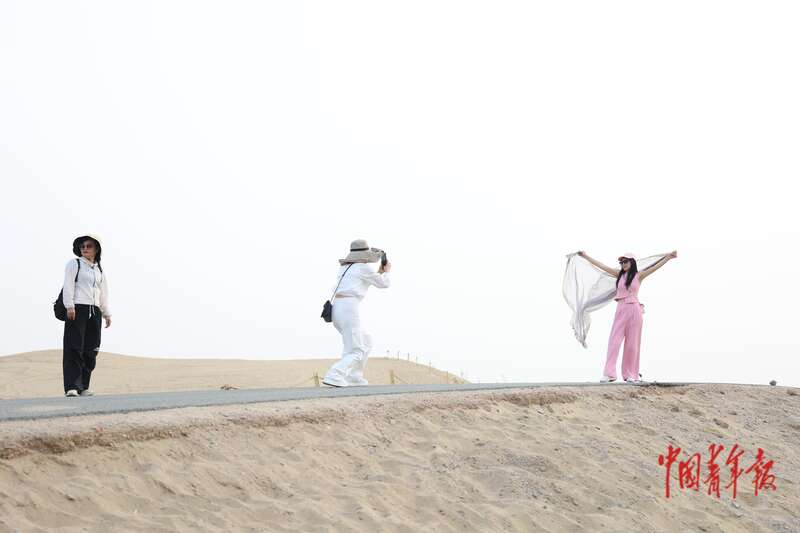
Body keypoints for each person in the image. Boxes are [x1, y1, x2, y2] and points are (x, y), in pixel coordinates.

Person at [577, 250, 677, 383]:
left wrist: (668, 257)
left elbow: (655, 267)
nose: (623, 264)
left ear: (632, 262)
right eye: (621, 262)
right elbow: (602, 266)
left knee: (632, 344)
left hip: (635, 310)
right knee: (614, 342)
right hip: (621, 309)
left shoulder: (639, 275)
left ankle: (630, 374)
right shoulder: (619, 275)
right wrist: (585, 256)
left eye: (626, 261)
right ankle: (609, 374)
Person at [322, 239, 391, 387]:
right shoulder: (363, 268)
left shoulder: (346, 268)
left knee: (365, 341)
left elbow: (365, 281)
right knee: (357, 349)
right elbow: (384, 283)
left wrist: (379, 273)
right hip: (349, 308)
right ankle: (334, 375)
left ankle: (354, 377)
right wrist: (386, 272)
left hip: (338, 308)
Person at [62, 234, 111, 397]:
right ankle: (72, 387)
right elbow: (68, 285)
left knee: (91, 349)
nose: (85, 249)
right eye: (82, 246)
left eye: (89, 246)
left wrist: (106, 313)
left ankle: (84, 386)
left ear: (97, 249)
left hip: (95, 311)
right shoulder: (74, 264)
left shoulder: (99, 269)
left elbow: (103, 293)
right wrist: (69, 306)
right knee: (74, 348)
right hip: (77, 309)